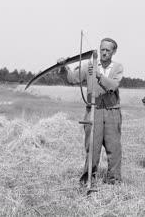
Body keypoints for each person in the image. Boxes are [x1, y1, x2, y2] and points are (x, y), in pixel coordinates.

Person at [59, 38, 124, 185]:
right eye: (102, 49)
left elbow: (113, 85)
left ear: (114, 52)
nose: (104, 53)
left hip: (111, 112)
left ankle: (114, 180)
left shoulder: (117, 67)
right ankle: (88, 179)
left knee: (114, 148)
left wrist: (99, 75)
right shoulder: (89, 66)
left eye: (108, 50)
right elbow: (71, 78)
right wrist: (63, 67)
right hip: (93, 110)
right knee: (92, 147)